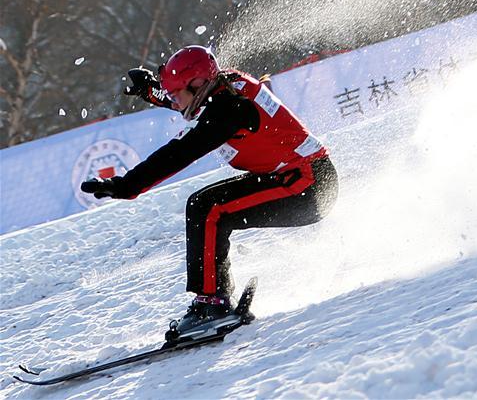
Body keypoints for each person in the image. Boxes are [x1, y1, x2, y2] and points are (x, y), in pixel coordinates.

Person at [81, 45, 338, 337]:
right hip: (293, 177)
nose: (174, 100)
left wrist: (126, 185)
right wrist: (153, 92)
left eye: (176, 92)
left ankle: (212, 305)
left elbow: (180, 152)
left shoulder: (231, 108)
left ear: (199, 85)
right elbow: (191, 103)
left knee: (210, 209)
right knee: (204, 206)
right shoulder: (218, 88)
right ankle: (214, 300)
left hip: (308, 185)